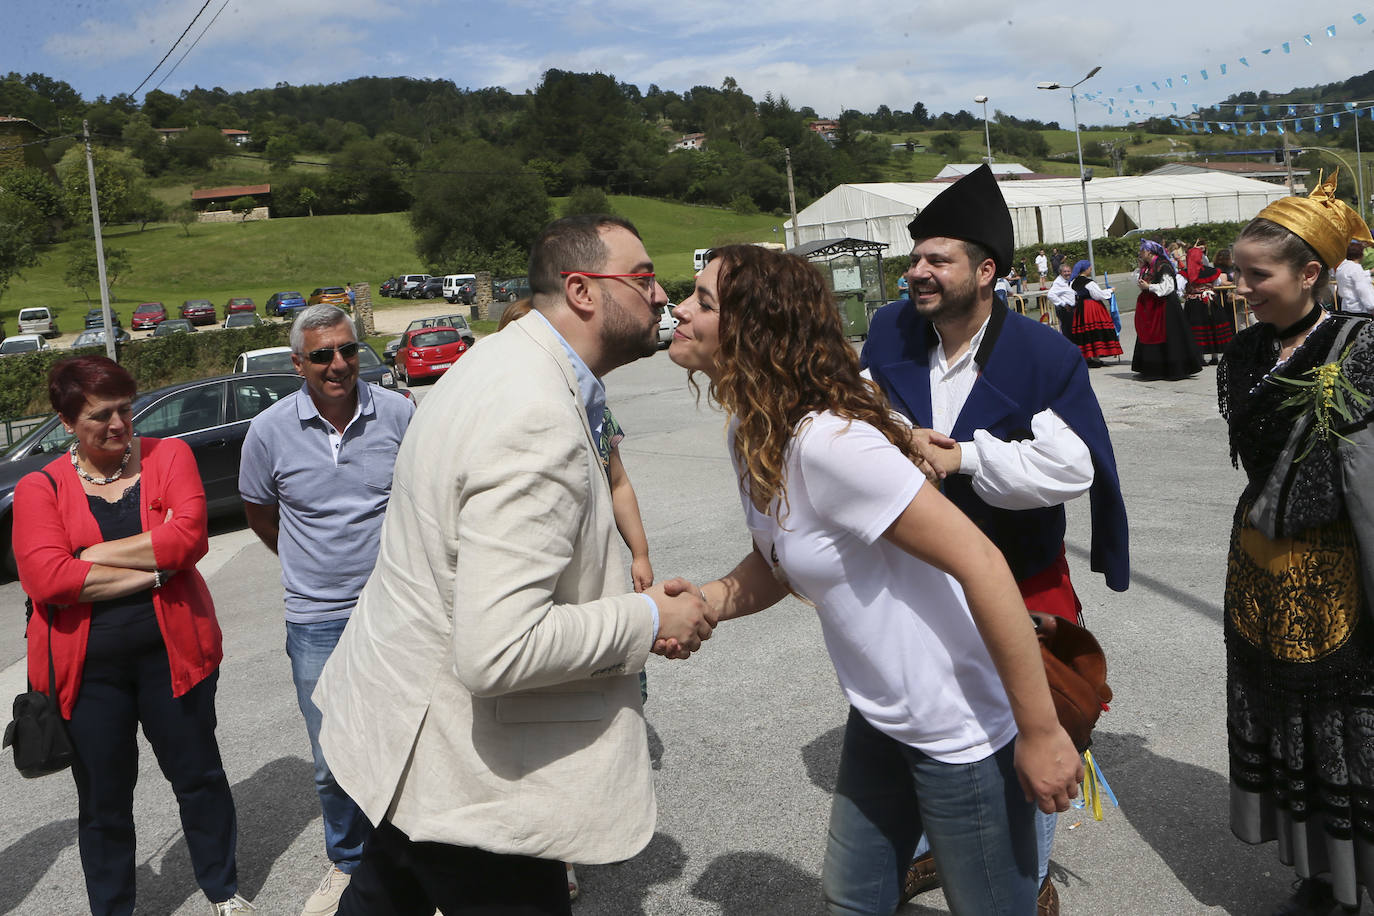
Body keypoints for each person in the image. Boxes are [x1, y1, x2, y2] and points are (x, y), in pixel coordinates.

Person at [313, 214, 716, 916]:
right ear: (583, 291)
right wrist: (650, 616)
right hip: (470, 782)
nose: (664, 298)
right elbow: (497, 648)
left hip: (408, 744)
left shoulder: (499, 362)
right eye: (645, 278)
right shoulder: (535, 415)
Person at [669, 242, 1083, 916]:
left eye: (703, 302)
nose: (678, 309)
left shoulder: (833, 444)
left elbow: (981, 562)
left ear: (754, 329)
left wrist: (1040, 734)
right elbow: (783, 556)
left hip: (958, 727)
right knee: (852, 901)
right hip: (884, 714)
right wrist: (710, 602)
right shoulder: (756, 428)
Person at [859, 163, 1130, 916]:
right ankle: (931, 850)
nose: (916, 272)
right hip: (914, 573)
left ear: (986, 272)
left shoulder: (1045, 356)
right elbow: (860, 403)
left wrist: (968, 455)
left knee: (1031, 724)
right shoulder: (888, 332)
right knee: (926, 711)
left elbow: (1072, 466)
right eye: (914, 258)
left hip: (1019, 573)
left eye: (935, 259)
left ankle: (1027, 871)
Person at [13, 356, 253, 916]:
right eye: (101, 415)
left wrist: (88, 558)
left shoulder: (169, 456)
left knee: (199, 779)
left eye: (125, 408)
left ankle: (222, 890)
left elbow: (189, 538)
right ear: (66, 421)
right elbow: (47, 578)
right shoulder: (39, 487)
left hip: (175, 657)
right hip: (88, 675)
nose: (119, 424)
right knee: (103, 803)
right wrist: (151, 570)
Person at [1218, 171, 1374, 915]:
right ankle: (1319, 872)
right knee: (1285, 724)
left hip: (1339, 571)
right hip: (1259, 570)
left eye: (1258, 274)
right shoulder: (1245, 354)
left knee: (1344, 728)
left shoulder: (1360, 347)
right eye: (1237, 272)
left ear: (1311, 273)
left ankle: (1357, 881)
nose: (1241, 287)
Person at [238, 304, 414, 916]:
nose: (339, 364)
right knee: (331, 757)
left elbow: (423, 502)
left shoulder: (398, 413)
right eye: (322, 355)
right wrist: (301, 560)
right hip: (315, 617)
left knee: (409, 739)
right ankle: (347, 863)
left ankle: (413, 862)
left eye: (347, 350)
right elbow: (259, 510)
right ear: (298, 365)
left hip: (396, 612)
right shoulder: (267, 431)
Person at [498, 295, 656, 902]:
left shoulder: (592, 406)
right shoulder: (513, 410)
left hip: (594, 579)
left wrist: (639, 555)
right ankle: (552, 848)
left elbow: (619, 483)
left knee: (596, 696)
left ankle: (587, 814)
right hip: (537, 586)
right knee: (541, 706)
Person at [1132, 240, 1204, 380]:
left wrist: (1150, 287)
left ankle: (1173, 368)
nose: (1140, 253)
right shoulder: (1147, 267)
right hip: (1151, 307)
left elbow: (1168, 287)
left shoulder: (1163, 266)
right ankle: (1153, 368)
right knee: (1149, 335)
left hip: (1165, 306)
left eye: (1142, 251)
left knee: (1169, 336)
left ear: (1149, 252)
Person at [1182, 241, 1233, 365]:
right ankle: (1214, 356)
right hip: (1210, 301)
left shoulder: (1185, 273)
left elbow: (1180, 288)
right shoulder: (1211, 271)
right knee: (1212, 326)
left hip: (1194, 304)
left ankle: (1200, 357)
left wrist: (1188, 292)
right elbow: (1217, 284)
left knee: (1197, 328)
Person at [1068, 260, 1123, 368]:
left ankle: (1088, 357)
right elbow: (1098, 295)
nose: (1091, 269)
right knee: (1097, 330)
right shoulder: (1089, 283)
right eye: (1090, 267)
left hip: (1080, 308)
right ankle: (1096, 357)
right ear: (1087, 269)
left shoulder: (1073, 282)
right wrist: (1110, 291)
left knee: (1085, 332)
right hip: (1092, 307)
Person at [1335, 240, 1374, 314]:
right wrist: (1372, 306)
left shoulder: (1341, 268)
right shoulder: (1356, 268)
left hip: (1346, 307)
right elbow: (1363, 289)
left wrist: (1369, 272)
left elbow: (1350, 277)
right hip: (1360, 309)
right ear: (1361, 255)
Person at [1046, 261, 1075, 334]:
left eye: (1069, 271)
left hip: (1072, 309)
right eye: (1065, 271)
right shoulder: (1058, 282)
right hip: (1065, 310)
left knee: (1072, 330)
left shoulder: (1069, 280)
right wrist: (1063, 304)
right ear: (1061, 272)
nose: (1067, 273)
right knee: (1067, 331)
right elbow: (1050, 294)